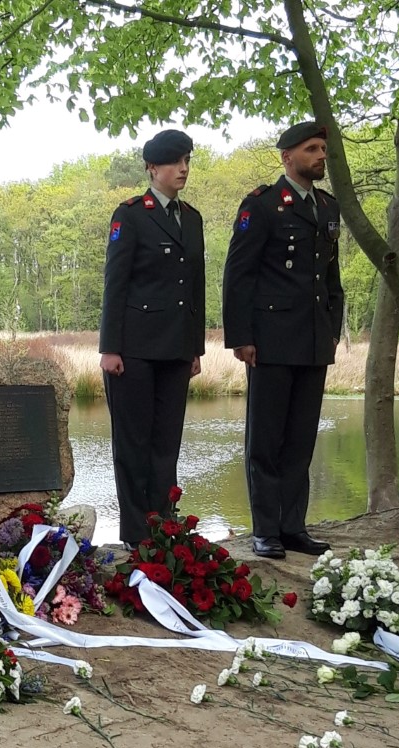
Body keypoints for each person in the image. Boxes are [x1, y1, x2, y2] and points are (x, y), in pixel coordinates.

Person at [221, 121, 345, 559]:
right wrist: (241, 336)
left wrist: (333, 329)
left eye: (323, 149)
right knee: (266, 439)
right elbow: (239, 275)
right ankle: (266, 530)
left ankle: (294, 526)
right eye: (312, 149)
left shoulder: (328, 207)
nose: (320, 156)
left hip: (313, 340)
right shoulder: (263, 205)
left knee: (300, 439)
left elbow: (331, 277)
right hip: (271, 341)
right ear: (287, 157)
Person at [99, 130, 206, 547]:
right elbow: (115, 284)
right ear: (152, 168)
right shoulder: (130, 214)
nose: (183, 169)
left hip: (176, 349)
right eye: (175, 162)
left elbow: (195, 288)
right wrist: (110, 347)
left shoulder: (192, 218)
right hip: (134, 349)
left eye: (186, 161)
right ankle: (135, 534)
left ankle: (165, 527)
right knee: (133, 445)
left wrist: (195, 348)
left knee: (167, 444)